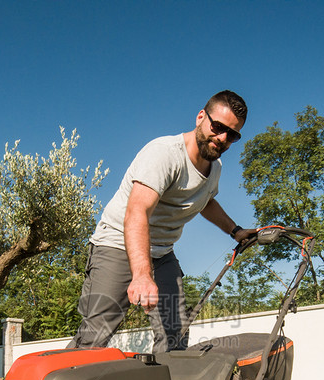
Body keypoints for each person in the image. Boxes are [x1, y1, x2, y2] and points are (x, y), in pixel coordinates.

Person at [71, 90, 254, 353]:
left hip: (162, 253)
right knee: (95, 335)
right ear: (201, 117)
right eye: (218, 127)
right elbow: (137, 212)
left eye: (232, 134)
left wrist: (235, 231)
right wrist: (142, 275)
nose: (223, 138)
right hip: (117, 243)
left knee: (175, 334)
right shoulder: (164, 154)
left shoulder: (216, 168)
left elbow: (206, 202)